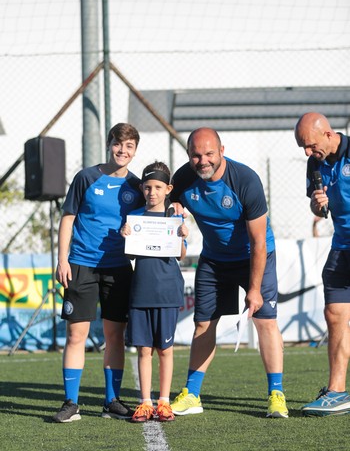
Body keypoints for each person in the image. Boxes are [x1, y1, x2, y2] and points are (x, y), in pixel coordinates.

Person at [169, 127, 288, 418]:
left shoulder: (245, 180)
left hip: (253, 256)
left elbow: (258, 241)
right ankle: (192, 394)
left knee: (265, 322)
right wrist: (174, 209)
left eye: (209, 153)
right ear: (188, 156)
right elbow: (170, 204)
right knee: (203, 324)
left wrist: (255, 289)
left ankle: (276, 394)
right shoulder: (183, 178)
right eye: (196, 155)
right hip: (214, 260)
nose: (203, 160)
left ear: (222, 151)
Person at [53, 123, 144, 423]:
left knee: (114, 335)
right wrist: (62, 260)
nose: (123, 151)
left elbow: (150, 220)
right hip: (81, 263)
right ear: (109, 145)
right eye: (118, 144)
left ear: (135, 150)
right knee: (76, 334)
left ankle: (111, 402)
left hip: (118, 268)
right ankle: (71, 403)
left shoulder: (137, 186)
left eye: (129, 146)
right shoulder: (86, 177)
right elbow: (68, 218)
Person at [120, 161, 188, 423]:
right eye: (148, 187)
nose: (152, 192)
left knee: (165, 350)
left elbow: (180, 255)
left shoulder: (174, 219)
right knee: (144, 349)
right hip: (141, 291)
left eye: (158, 187)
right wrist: (126, 234)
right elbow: (131, 253)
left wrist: (182, 235)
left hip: (167, 291)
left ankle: (164, 401)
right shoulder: (135, 218)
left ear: (168, 188)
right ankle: (146, 402)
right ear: (141, 188)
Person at [295, 112, 350, 417]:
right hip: (342, 247)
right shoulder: (315, 162)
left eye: (310, 145)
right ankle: (337, 391)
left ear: (328, 134)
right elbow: (320, 204)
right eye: (302, 146)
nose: (306, 152)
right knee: (335, 315)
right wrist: (317, 205)